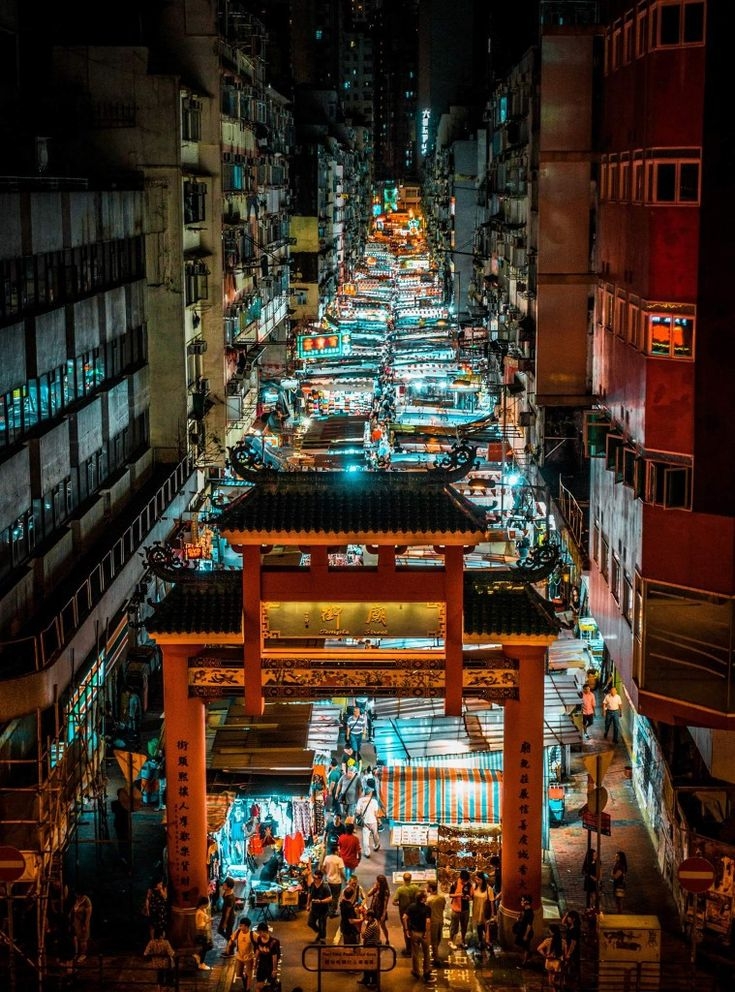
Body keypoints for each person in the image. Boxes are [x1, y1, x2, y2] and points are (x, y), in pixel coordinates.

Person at [403, 888, 434, 983]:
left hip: (414, 933)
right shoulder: (427, 908)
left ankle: (416, 971)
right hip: (424, 933)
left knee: (415, 953)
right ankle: (426, 972)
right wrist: (426, 932)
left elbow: (404, 917)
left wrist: (406, 929)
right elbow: (428, 921)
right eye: (425, 897)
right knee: (426, 953)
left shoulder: (411, 906)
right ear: (422, 899)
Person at [392, 871, 419, 956]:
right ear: (411, 879)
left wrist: (400, 904)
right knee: (414, 929)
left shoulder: (400, 889)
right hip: (415, 912)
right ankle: (415, 947)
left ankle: (408, 949)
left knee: (406, 929)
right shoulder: (416, 888)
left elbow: (394, 902)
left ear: (403, 879)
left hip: (404, 912)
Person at [227, 916, 255, 990]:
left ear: (246, 926)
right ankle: (245, 979)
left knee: (249, 974)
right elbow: (232, 938)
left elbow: (259, 941)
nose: (240, 926)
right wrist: (229, 946)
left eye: (241, 925)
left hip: (248, 958)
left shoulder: (252, 934)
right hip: (239, 957)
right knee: (239, 974)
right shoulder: (238, 931)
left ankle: (248, 989)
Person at [144, 926, 174, 992]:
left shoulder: (151, 942)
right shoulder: (166, 943)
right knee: (168, 972)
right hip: (165, 964)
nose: (164, 934)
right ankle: (165, 987)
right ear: (161, 935)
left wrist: (153, 954)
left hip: (155, 963)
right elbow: (171, 953)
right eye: (163, 933)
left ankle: (158, 988)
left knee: (159, 974)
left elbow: (145, 953)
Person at [252, 922, 280, 992]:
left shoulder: (273, 942)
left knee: (271, 987)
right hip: (262, 965)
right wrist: (255, 965)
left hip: (270, 967)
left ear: (266, 931)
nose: (259, 934)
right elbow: (257, 952)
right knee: (258, 986)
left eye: (260, 932)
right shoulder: (259, 939)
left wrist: (274, 970)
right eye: (259, 932)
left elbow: (274, 957)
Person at [306, 869, 332, 942]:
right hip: (314, 909)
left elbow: (330, 898)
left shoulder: (325, 886)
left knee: (322, 925)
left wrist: (321, 901)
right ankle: (320, 933)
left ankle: (322, 940)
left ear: (320, 878)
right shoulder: (313, 884)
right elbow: (310, 894)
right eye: (314, 877)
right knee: (310, 922)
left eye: (316, 878)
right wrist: (308, 904)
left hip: (323, 910)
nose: (314, 879)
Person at [449, 868, 473, 949]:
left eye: (467, 881)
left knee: (464, 926)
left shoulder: (469, 885)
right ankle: (451, 941)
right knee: (454, 927)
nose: (465, 882)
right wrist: (458, 895)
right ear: (461, 878)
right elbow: (450, 895)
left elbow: (471, 896)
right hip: (456, 910)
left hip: (465, 909)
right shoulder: (455, 884)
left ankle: (463, 940)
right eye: (464, 881)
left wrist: (468, 897)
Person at [537, 923, 566, 988]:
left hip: (549, 961)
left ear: (551, 931)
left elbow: (538, 949)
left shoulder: (548, 941)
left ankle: (552, 985)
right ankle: (556, 985)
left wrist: (545, 955)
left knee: (550, 974)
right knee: (557, 977)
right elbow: (565, 954)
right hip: (558, 962)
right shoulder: (563, 942)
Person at [354, 787, 381, 858]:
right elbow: (376, 814)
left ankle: (367, 853)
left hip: (365, 822)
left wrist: (361, 816)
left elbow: (357, 812)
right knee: (375, 834)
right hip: (373, 821)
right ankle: (377, 845)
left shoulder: (360, 800)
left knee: (365, 837)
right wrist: (379, 821)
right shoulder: (374, 801)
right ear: (370, 793)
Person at [320, 842, 346, 916]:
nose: (339, 851)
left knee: (329, 896)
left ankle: (329, 910)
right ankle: (332, 912)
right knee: (335, 897)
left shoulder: (327, 858)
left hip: (328, 880)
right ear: (336, 851)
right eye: (338, 850)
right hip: (337, 882)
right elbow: (341, 872)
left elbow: (322, 868)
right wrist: (345, 879)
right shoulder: (339, 860)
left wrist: (326, 873)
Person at [425, 880, 446, 967]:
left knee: (433, 941)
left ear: (430, 888)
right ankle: (435, 952)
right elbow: (443, 908)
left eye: (427, 887)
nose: (426, 888)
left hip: (433, 922)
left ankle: (436, 959)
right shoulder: (442, 898)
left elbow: (426, 912)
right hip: (440, 920)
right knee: (438, 939)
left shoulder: (429, 900)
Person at [366, 874, 391, 945]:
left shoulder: (385, 891)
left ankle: (387, 939)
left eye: (377, 881)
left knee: (382, 926)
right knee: (376, 926)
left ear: (380, 882)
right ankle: (377, 939)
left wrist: (383, 915)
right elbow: (368, 894)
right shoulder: (376, 888)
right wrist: (374, 888)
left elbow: (385, 904)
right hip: (373, 909)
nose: (376, 882)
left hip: (380, 910)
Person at [359, 907, 382, 987]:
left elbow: (364, 935)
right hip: (369, 946)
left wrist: (362, 926)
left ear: (370, 917)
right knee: (367, 964)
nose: (364, 917)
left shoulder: (372, 926)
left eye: (366, 915)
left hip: (371, 947)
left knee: (371, 965)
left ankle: (373, 982)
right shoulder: (374, 921)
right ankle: (366, 979)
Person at [110, 787, 131, 866]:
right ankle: (123, 856)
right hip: (121, 824)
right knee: (122, 840)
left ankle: (124, 856)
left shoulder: (116, 803)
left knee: (123, 840)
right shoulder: (121, 804)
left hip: (122, 824)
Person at [70, 889, 92, 962]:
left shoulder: (86, 901)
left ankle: (83, 954)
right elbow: (73, 911)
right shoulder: (77, 900)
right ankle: (76, 954)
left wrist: (85, 925)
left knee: (83, 939)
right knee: (76, 939)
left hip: (82, 923)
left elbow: (88, 915)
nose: (76, 896)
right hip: (76, 923)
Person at [561, 909, 582, 985]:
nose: (567, 919)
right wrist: (566, 914)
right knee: (568, 965)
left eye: (569, 917)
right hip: (568, 948)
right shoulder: (570, 926)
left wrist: (569, 954)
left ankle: (574, 981)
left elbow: (573, 943)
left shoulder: (575, 929)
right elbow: (563, 922)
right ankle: (569, 980)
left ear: (573, 919)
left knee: (574, 965)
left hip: (573, 951)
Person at [514, 894, 535, 967]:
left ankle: (524, 962)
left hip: (526, 932)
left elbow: (529, 925)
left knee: (526, 947)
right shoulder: (524, 910)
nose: (521, 902)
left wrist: (526, 935)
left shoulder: (530, 913)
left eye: (522, 900)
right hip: (521, 931)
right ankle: (528, 955)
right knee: (521, 945)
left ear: (527, 902)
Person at [193, 895, 213, 971]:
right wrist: (208, 921)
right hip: (201, 933)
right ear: (203, 904)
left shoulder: (202, 911)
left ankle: (199, 958)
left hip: (204, 933)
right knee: (205, 947)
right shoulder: (199, 913)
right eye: (206, 904)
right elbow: (199, 925)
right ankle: (201, 963)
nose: (207, 906)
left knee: (207, 947)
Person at [218, 877, 237, 946]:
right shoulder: (227, 892)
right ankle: (231, 941)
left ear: (229, 887)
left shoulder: (230, 898)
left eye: (225, 885)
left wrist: (225, 922)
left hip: (229, 918)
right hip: (225, 915)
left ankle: (231, 944)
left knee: (226, 932)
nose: (223, 885)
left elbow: (228, 912)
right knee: (220, 931)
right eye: (224, 883)